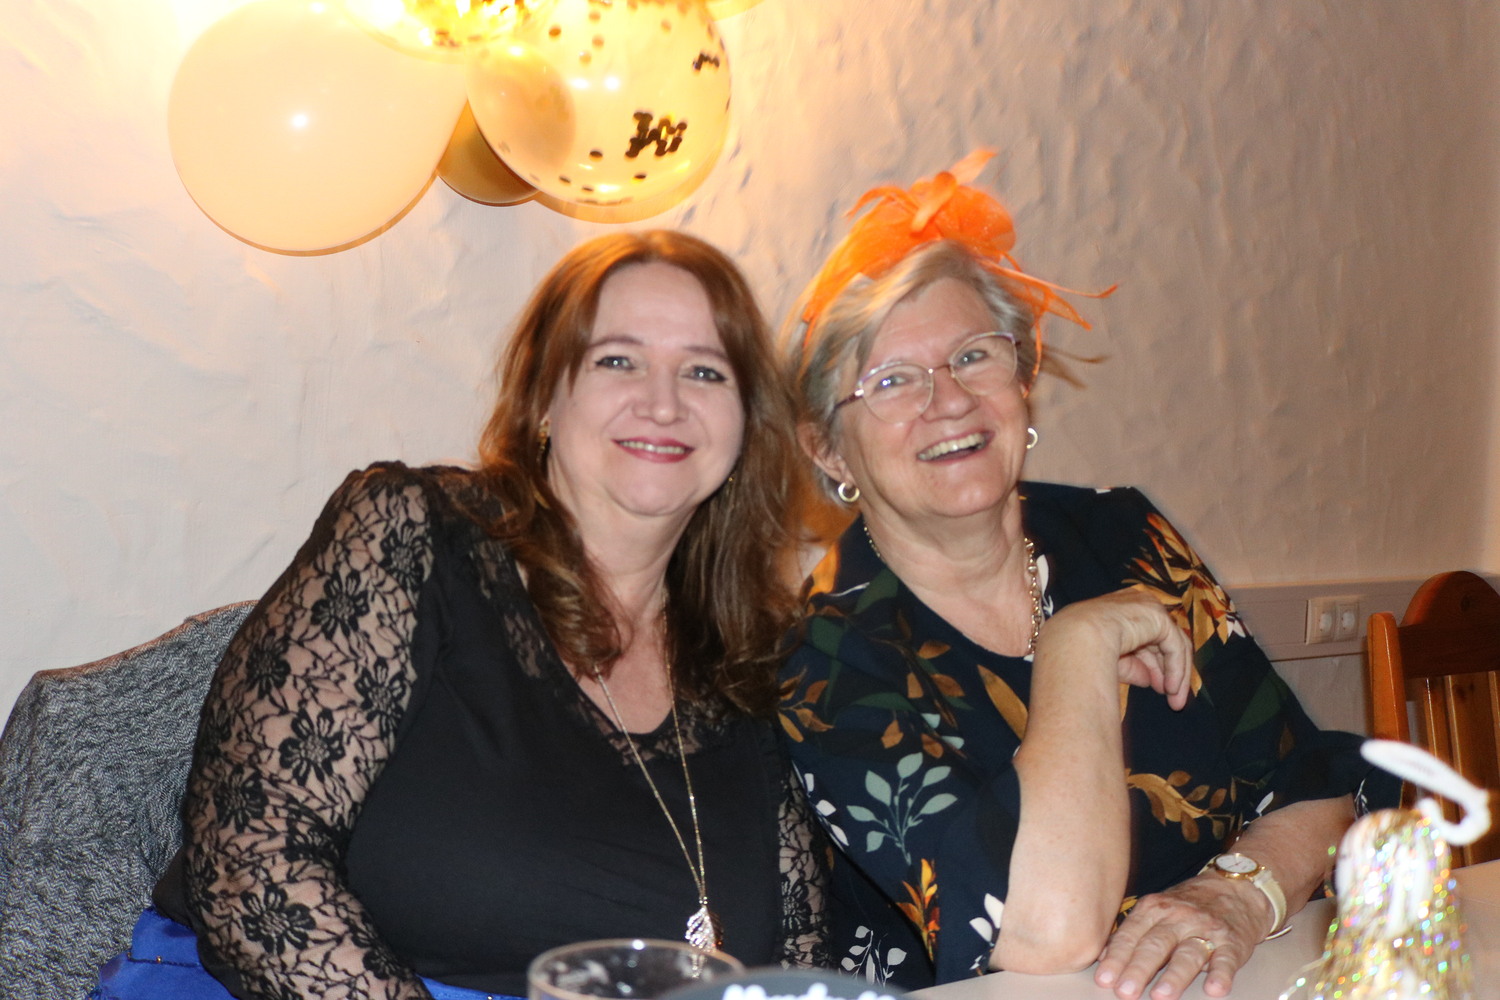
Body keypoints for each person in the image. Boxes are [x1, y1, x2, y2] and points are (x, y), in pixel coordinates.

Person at [94, 231, 827, 1000]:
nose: (664, 401)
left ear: (746, 424)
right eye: (618, 360)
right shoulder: (416, 537)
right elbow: (253, 860)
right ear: (544, 396)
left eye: (705, 371)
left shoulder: (752, 661)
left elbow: (793, 961)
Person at [776, 152, 1395, 1000]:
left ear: (1023, 378)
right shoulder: (824, 653)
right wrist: (1075, 644)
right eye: (892, 381)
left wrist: (1236, 895)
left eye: (974, 356)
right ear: (829, 450)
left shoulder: (1122, 536)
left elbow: (1317, 786)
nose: (948, 400)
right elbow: (1042, 930)